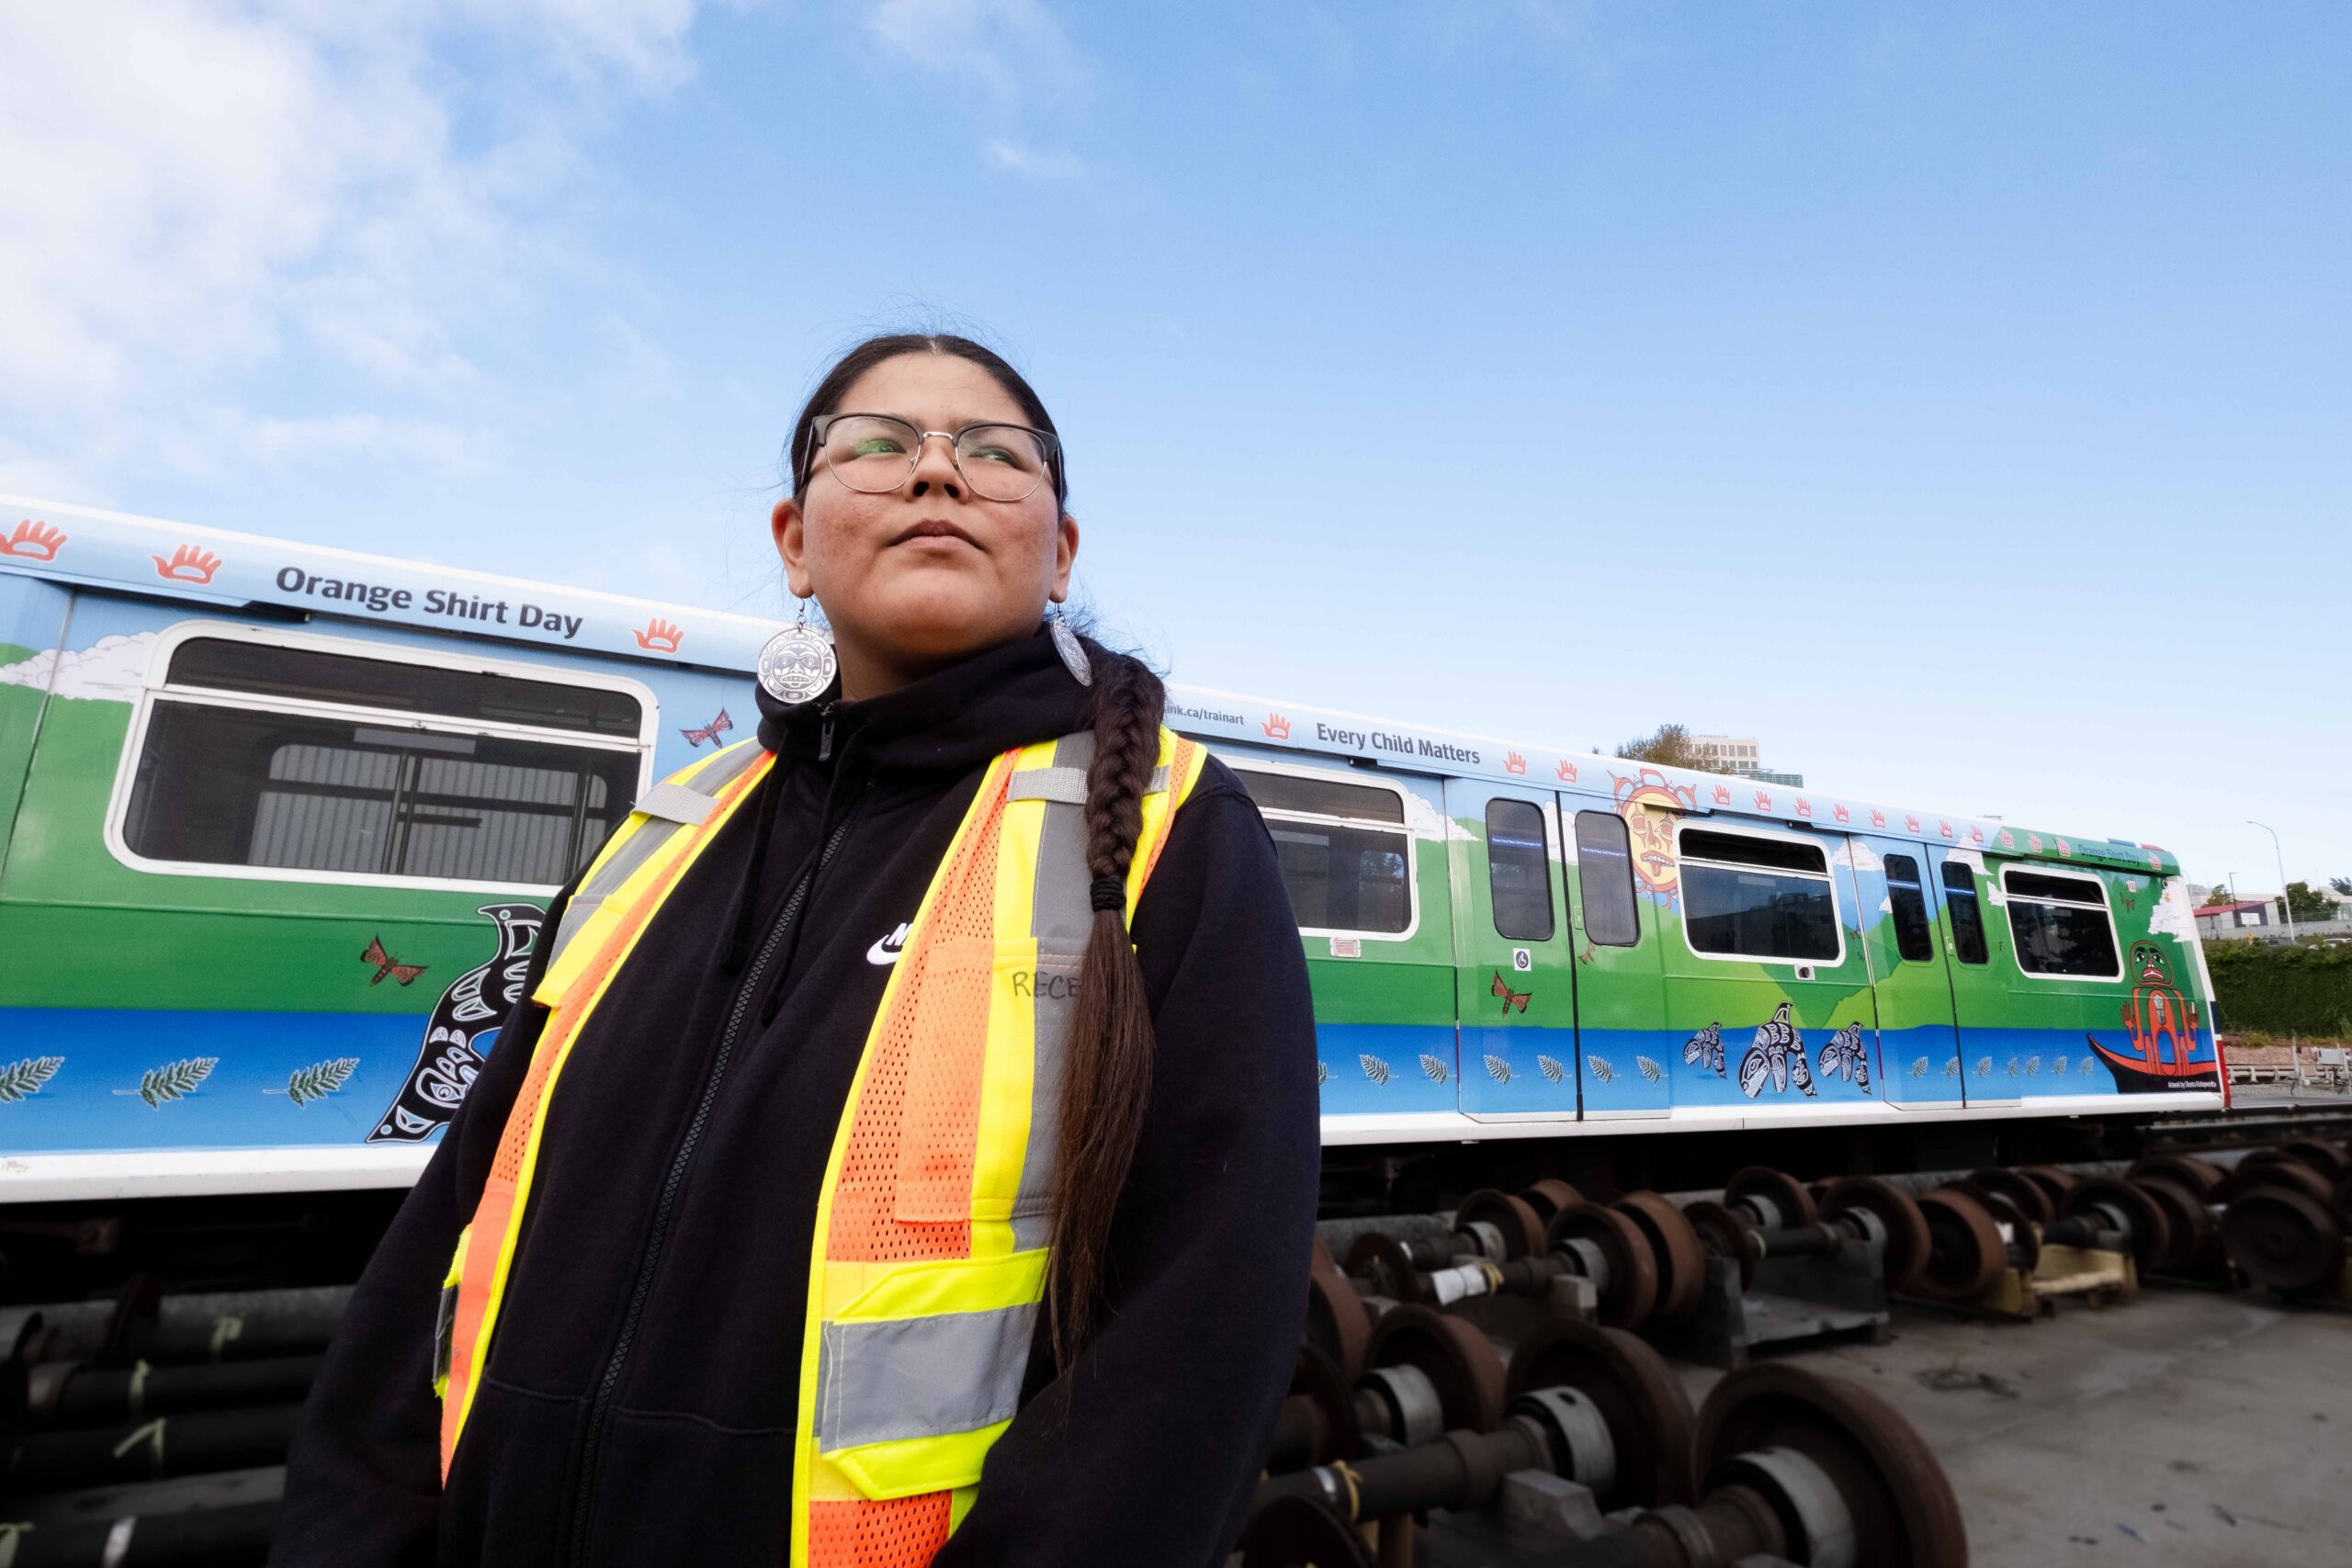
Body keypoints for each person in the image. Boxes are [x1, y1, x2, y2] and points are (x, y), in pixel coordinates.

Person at [273, 333, 1321, 1566]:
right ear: (794, 543)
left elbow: (1194, 1342)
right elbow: (450, 1234)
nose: (937, 474)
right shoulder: (662, 833)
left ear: (1061, 553)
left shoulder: (1174, 839)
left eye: (995, 454)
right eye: (879, 446)